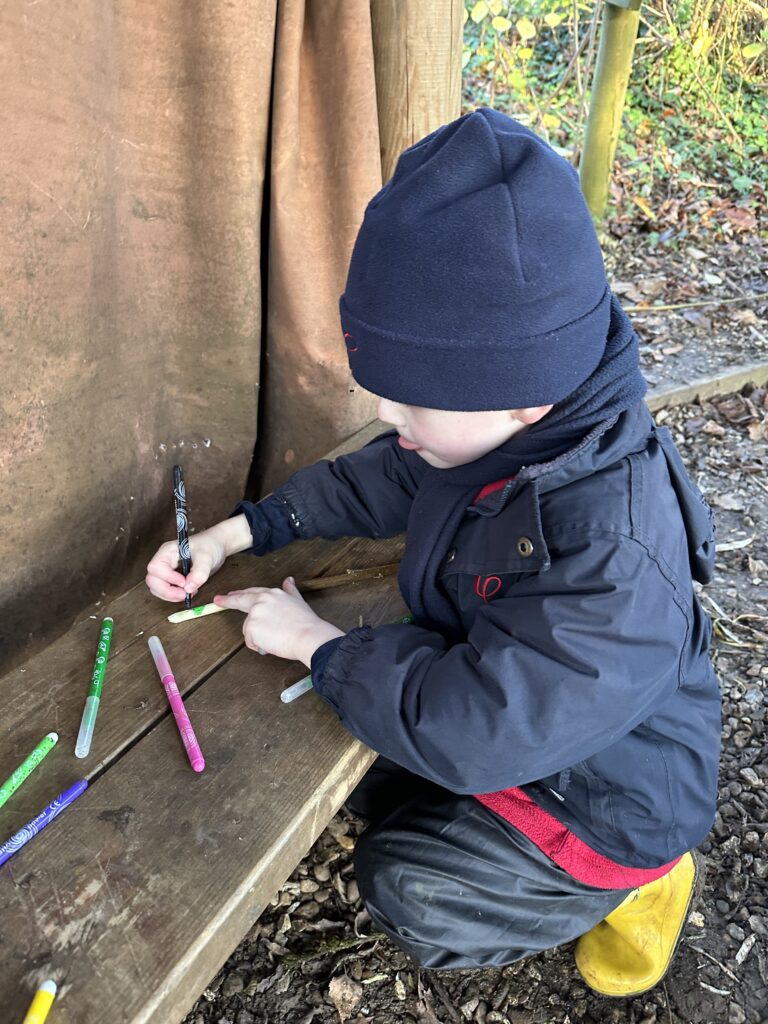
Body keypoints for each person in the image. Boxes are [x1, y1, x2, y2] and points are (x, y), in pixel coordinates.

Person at [146, 109, 720, 995]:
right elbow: (380, 480)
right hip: (532, 722)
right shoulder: (508, 433)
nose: (387, 417)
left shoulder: (615, 558)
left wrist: (318, 644)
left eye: (411, 400)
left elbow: (481, 727)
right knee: (370, 769)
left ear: (522, 398)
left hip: (609, 805)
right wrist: (239, 532)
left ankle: (646, 888)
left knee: (406, 882)